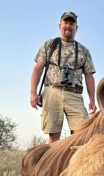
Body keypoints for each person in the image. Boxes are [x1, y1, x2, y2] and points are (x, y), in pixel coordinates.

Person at [30, 11, 97, 144]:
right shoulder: (49, 45)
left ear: (76, 28)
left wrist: (92, 100)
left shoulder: (84, 50)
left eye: (72, 23)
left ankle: (75, 164)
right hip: (52, 92)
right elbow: (38, 69)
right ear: (60, 25)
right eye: (66, 23)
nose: (68, 26)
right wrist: (33, 93)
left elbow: (89, 76)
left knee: (82, 135)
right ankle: (52, 164)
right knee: (53, 137)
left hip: (75, 95)